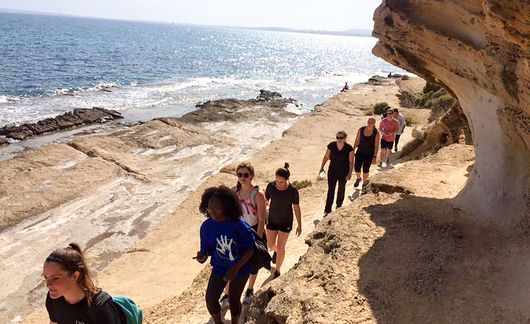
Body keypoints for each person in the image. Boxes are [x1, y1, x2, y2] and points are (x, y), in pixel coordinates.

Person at [195, 185, 256, 324]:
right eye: (210, 208)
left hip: (240, 269)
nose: (212, 211)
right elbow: (207, 251)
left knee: (234, 299)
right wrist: (202, 257)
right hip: (219, 267)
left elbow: (250, 250)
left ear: (227, 207)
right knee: (210, 300)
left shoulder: (239, 226)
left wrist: (235, 269)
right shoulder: (206, 227)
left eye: (217, 208)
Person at [43, 243, 123, 324]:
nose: (48, 284)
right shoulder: (53, 300)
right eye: (46, 277)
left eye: (55, 278)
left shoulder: (100, 307)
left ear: (75, 276)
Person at [230, 162, 267, 305]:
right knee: (234, 262)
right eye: (240, 175)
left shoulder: (258, 194)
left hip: (253, 230)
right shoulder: (234, 192)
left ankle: (250, 289)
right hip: (238, 231)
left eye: (246, 175)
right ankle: (228, 294)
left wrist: (257, 239)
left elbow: (262, 218)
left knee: (253, 263)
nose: (242, 177)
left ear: (252, 176)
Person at [265, 163, 301, 278]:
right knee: (270, 245)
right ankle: (277, 251)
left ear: (287, 180)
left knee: (281, 247)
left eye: (281, 182)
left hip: (285, 221)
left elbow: (296, 207)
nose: (278, 184)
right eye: (276, 181)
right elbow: (266, 200)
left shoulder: (293, 190)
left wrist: (299, 225)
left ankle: (277, 270)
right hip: (272, 219)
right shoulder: (270, 186)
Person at [319, 130, 354, 214]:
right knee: (331, 190)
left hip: (343, 172)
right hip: (332, 171)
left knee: (341, 189)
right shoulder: (331, 145)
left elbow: (351, 162)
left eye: (341, 137)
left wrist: (349, 173)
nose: (339, 139)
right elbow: (326, 157)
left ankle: (339, 205)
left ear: (345, 138)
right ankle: (327, 210)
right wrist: (322, 167)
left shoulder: (349, 148)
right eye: (337, 137)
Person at [352, 118, 380, 187]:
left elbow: (376, 146)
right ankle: (358, 178)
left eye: (372, 122)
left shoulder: (376, 133)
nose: (370, 123)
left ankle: (364, 185)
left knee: (365, 170)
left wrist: (375, 156)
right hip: (360, 152)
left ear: (374, 124)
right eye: (369, 122)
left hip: (369, 154)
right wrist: (353, 150)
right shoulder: (361, 129)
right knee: (356, 168)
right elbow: (357, 140)